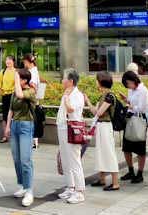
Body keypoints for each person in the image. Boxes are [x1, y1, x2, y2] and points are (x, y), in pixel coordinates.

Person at [4, 68, 38, 206]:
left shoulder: (30, 91)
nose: (14, 79)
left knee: (25, 159)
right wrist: (7, 126)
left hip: (26, 125)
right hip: (15, 125)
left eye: (17, 77)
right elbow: (11, 109)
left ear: (24, 80)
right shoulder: (14, 92)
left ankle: (29, 190)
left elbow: (19, 93)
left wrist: (17, 80)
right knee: (17, 159)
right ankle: (23, 186)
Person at [56, 68, 86, 204]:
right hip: (63, 128)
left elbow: (70, 109)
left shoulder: (77, 95)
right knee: (66, 159)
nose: (62, 80)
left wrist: (66, 97)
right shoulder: (67, 93)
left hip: (72, 129)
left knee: (74, 160)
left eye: (64, 78)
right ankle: (70, 187)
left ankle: (79, 191)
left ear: (70, 81)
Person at [85, 71, 118, 191]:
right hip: (101, 126)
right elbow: (95, 113)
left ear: (101, 82)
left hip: (106, 126)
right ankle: (102, 179)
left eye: (97, 80)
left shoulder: (109, 96)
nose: (95, 82)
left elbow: (99, 113)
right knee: (100, 152)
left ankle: (115, 183)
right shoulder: (103, 95)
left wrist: (92, 105)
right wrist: (87, 101)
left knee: (109, 153)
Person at [119, 70, 148, 183]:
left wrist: (130, 106)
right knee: (126, 148)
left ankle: (140, 174)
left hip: (140, 120)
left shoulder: (143, 91)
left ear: (133, 80)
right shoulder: (131, 90)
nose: (128, 86)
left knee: (140, 148)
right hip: (130, 119)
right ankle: (131, 171)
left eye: (128, 83)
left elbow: (142, 108)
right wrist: (126, 100)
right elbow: (131, 103)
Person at [0, 55, 17, 143]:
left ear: (13, 62)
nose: (8, 62)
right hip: (5, 96)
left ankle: (14, 136)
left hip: (14, 95)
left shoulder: (16, 72)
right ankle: (5, 136)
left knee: (15, 116)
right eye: (6, 60)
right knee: (5, 116)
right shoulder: (3, 71)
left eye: (10, 60)